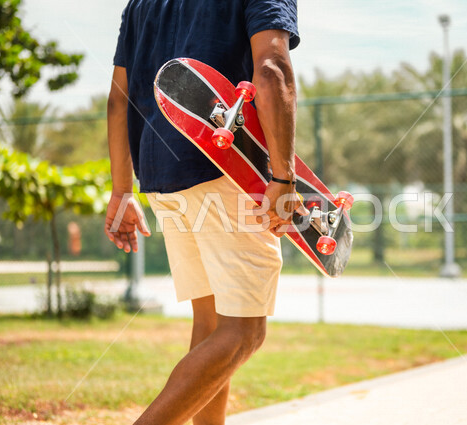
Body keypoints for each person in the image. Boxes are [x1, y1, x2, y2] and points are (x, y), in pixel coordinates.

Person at [104, 1, 306, 424]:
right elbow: (271, 68)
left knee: (212, 326)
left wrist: (122, 190)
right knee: (244, 333)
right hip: (227, 168)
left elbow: (117, 101)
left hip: (159, 172)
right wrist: (283, 178)